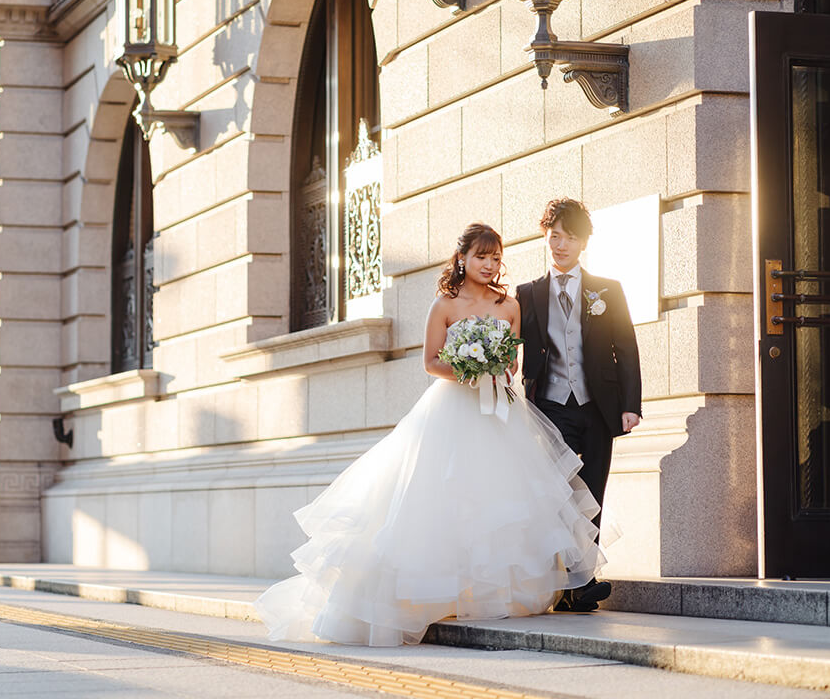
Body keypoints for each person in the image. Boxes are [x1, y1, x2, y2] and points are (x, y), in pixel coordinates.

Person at [255, 223, 605, 646]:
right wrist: (469, 370)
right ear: (462, 258)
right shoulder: (444, 304)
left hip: (499, 410)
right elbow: (429, 362)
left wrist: (498, 367)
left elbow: (513, 362)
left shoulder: (508, 305)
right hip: (453, 406)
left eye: (496, 258)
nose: (489, 265)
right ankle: (441, 591)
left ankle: (493, 591)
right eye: (481, 256)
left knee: (497, 500)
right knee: (444, 494)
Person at [516, 198, 642, 613]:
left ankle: (578, 585)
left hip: (598, 408)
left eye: (569, 237)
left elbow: (625, 348)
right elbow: (512, 346)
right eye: (554, 236)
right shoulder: (527, 294)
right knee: (562, 497)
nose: (561, 244)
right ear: (546, 237)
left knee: (594, 492)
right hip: (550, 410)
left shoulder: (609, 289)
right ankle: (579, 583)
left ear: (583, 242)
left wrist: (631, 404)